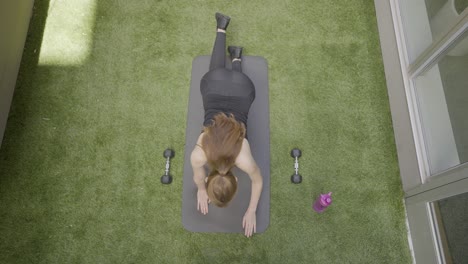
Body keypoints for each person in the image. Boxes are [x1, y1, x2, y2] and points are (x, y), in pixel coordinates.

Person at [190, 12, 263, 238]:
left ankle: (237, 57)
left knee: (234, 97)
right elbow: (256, 180)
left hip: (244, 90)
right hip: (215, 88)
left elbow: (257, 180)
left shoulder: (242, 159)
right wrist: (202, 189)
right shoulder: (199, 156)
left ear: (237, 184)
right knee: (215, 75)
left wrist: (202, 189)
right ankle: (222, 29)